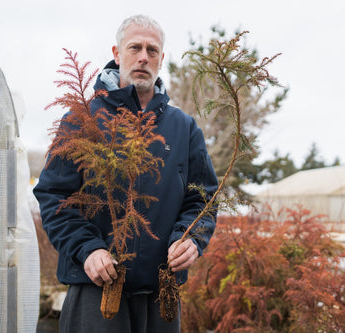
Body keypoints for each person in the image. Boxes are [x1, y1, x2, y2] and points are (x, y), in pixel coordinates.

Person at [34, 14, 218, 333]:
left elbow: (203, 199)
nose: (143, 57)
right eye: (135, 48)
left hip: (162, 296)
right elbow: (53, 197)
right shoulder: (81, 121)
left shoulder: (184, 128)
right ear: (117, 54)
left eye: (153, 50)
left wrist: (191, 238)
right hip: (97, 290)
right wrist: (87, 248)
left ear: (161, 59)